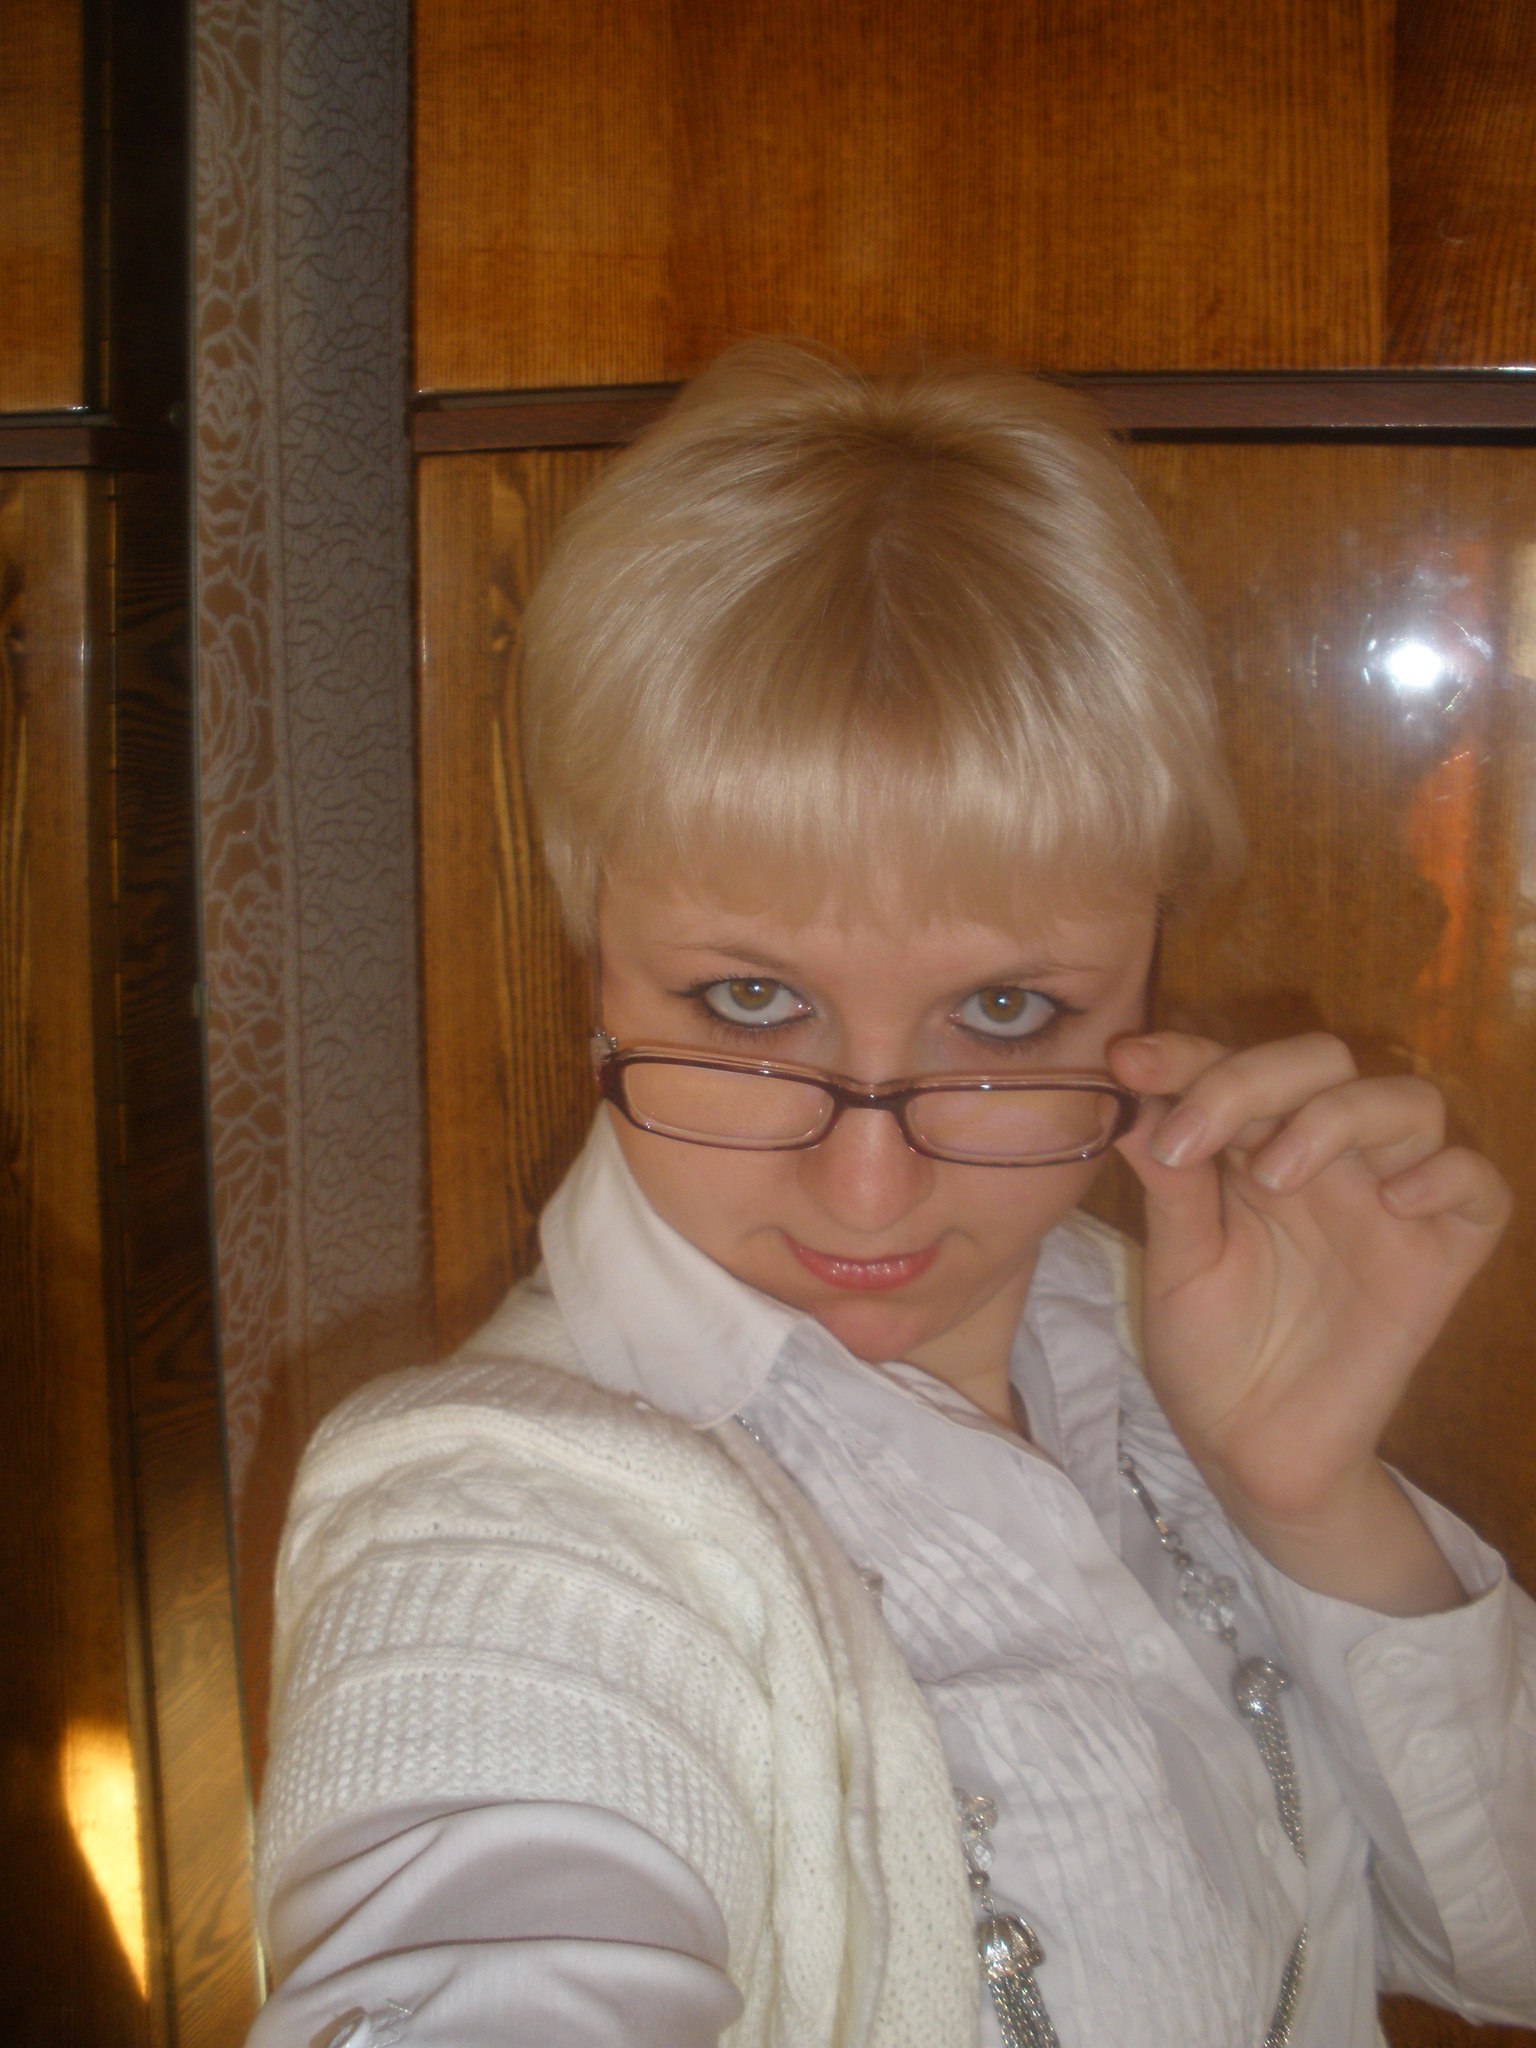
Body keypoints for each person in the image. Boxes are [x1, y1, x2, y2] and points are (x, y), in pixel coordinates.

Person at [247, 345, 1535, 2048]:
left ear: (1150, 965)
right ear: (595, 950)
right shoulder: (499, 1518)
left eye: (1003, 1009)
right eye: (749, 1001)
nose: (869, 1187)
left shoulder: (1169, 1333)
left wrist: (1310, 1503)